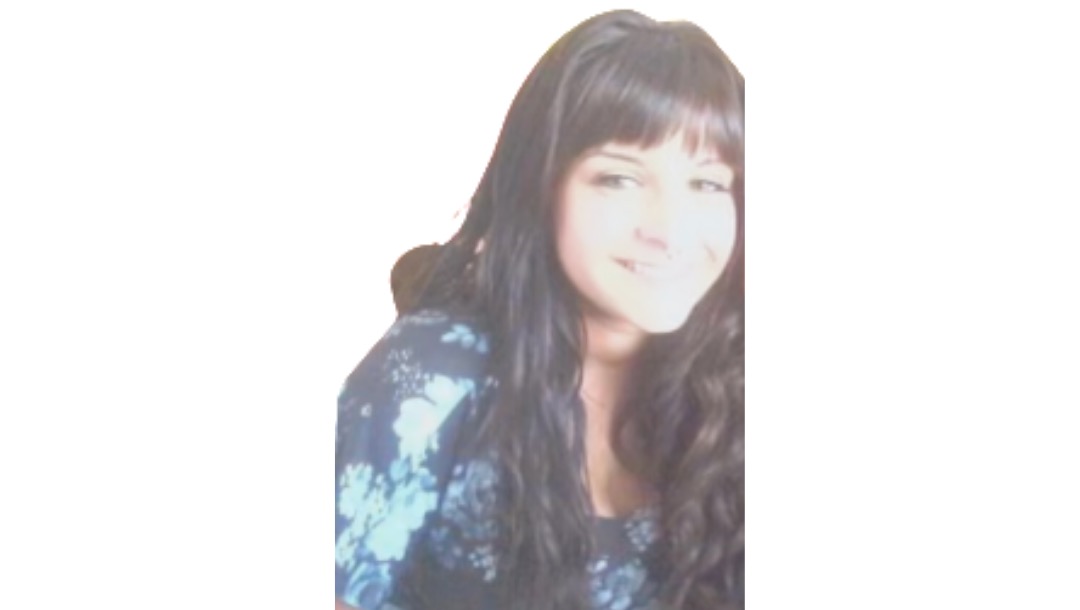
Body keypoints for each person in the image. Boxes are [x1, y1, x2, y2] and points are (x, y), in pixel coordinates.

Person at [335, 9, 744, 610]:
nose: (669, 230)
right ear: (541, 186)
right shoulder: (433, 376)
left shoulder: (740, 378)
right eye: (619, 179)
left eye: (707, 184)